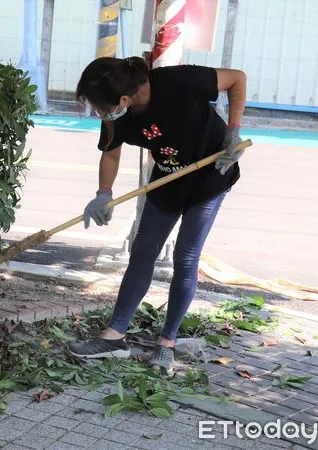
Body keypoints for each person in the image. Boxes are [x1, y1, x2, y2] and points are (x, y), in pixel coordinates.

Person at [66, 56, 247, 370]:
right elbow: (110, 152)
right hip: (167, 177)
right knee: (143, 251)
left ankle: (167, 343)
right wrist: (103, 193)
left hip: (211, 174)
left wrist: (232, 131)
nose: (99, 113)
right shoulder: (116, 114)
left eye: (99, 107)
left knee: (185, 257)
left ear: (124, 98)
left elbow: (236, 78)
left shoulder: (179, 82)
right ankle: (114, 337)